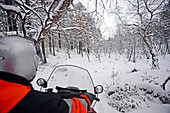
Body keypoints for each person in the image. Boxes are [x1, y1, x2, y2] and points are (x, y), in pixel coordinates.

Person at [0, 36, 96, 113]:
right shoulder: (32, 101)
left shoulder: (7, 92)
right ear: (25, 61)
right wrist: (87, 97)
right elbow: (75, 108)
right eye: (36, 61)